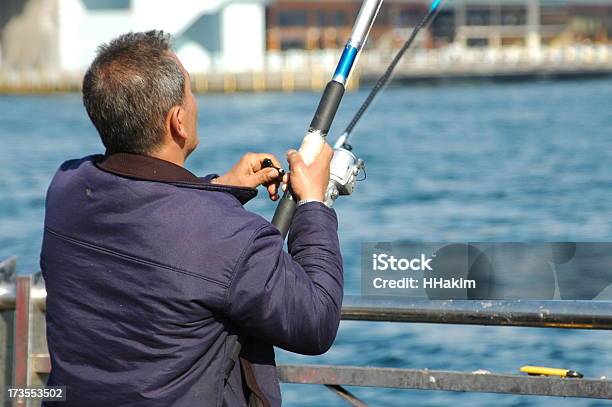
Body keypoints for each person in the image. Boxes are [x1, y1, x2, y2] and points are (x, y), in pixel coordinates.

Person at [40, 30, 343, 407]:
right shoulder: (231, 237)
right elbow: (315, 322)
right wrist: (314, 203)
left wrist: (219, 188)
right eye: (191, 91)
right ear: (178, 122)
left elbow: (151, 216)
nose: (197, 102)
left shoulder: (67, 186)